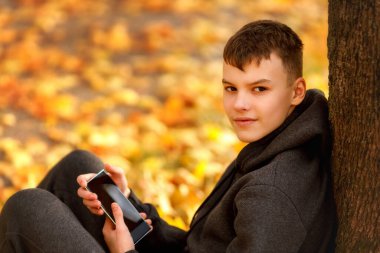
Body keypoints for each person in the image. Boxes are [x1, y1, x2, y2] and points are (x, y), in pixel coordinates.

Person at [0, 20, 337, 253]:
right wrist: (131, 209)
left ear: (296, 91)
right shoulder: (281, 140)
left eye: (259, 89)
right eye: (231, 88)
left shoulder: (273, 194)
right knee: (78, 168)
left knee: (27, 208)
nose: (240, 104)